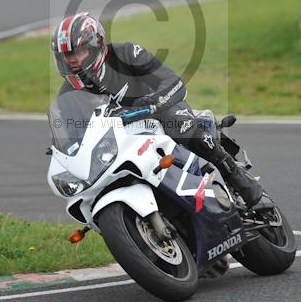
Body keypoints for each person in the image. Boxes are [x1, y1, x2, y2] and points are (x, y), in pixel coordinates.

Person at [51, 12, 262, 207]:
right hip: (124, 142)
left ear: (96, 45)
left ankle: (235, 176)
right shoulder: (67, 95)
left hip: (161, 114)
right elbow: (73, 136)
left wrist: (154, 101)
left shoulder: (125, 53)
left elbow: (173, 81)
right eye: (65, 56)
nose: (71, 60)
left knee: (181, 126)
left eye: (76, 51)